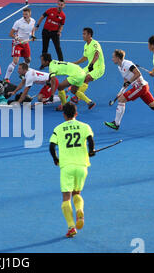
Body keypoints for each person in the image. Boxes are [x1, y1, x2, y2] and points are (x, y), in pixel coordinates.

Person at [49, 102, 95, 238]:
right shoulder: (85, 126)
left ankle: (71, 227)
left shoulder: (58, 128)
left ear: (64, 115)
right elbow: (90, 140)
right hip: (82, 166)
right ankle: (79, 209)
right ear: (76, 114)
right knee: (77, 193)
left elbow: (51, 146)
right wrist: (91, 151)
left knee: (66, 198)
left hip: (67, 167)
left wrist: (55, 159)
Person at [104, 49, 154, 130]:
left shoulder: (127, 64)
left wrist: (129, 82)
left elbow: (138, 73)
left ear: (118, 58)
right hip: (142, 87)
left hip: (140, 87)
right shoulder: (119, 67)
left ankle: (116, 124)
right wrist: (121, 92)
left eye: (113, 57)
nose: (112, 59)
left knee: (121, 100)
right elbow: (125, 81)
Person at [71, 27, 105, 109]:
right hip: (90, 67)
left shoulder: (95, 43)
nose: (82, 36)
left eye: (84, 34)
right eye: (82, 34)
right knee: (77, 76)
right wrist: (75, 63)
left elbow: (97, 54)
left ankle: (78, 97)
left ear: (89, 35)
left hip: (98, 68)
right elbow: (85, 58)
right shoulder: (86, 45)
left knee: (86, 79)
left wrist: (92, 64)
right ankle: (79, 95)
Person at [3, 7, 36, 82]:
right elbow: (11, 34)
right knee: (15, 61)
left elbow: (33, 28)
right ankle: (6, 78)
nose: (24, 16)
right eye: (23, 14)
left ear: (30, 14)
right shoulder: (18, 22)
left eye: (26, 14)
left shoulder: (33, 21)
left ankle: (23, 74)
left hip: (26, 43)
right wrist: (19, 39)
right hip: (17, 43)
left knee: (28, 60)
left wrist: (33, 35)